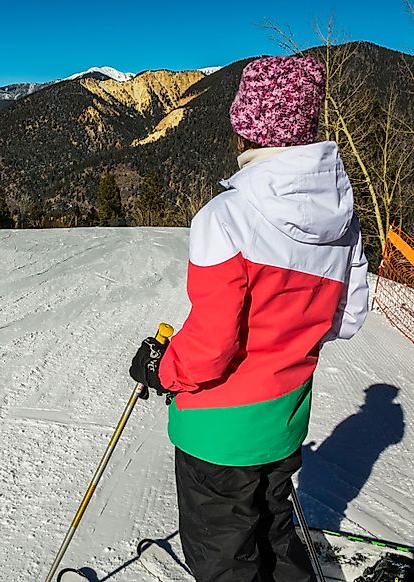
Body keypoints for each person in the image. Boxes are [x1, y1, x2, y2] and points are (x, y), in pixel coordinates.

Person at [130, 55, 369, 582]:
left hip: (218, 431)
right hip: (285, 418)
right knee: (276, 528)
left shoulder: (225, 217)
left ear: (245, 123)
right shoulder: (341, 218)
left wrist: (161, 369)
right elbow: (347, 319)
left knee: (224, 556)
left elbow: (212, 346)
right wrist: (288, 341)